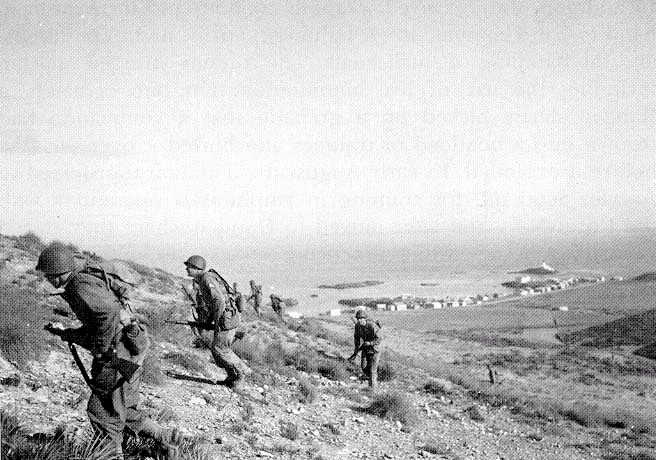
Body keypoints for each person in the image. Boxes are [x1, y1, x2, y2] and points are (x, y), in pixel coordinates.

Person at [37, 243, 181, 459]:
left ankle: (111, 455)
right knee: (123, 406)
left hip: (118, 355)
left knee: (103, 412)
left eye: (48, 274)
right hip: (131, 349)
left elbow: (107, 314)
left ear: (56, 274)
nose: (46, 278)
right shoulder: (85, 276)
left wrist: (102, 350)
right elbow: (102, 323)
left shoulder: (79, 285)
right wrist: (69, 334)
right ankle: (165, 438)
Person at [184, 255, 248, 388]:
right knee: (217, 350)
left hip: (227, 319)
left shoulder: (206, 279)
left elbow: (219, 301)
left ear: (196, 268)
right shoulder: (204, 279)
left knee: (220, 349)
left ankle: (241, 373)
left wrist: (218, 321)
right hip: (228, 317)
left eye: (188, 266)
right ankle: (232, 377)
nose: (186, 269)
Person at [347, 309, 382, 390]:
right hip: (365, 348)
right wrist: (356, 349)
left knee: (372, 370)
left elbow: (379, 339)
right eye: (358, 319)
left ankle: (372, 388)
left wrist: (370, 343)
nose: (359, 320)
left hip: (375, 350)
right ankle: (373, 378)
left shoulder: (372, 326)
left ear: (365, 319)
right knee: (364, 367)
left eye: (361, 319)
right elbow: (356, 338)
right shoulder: (357, 326)